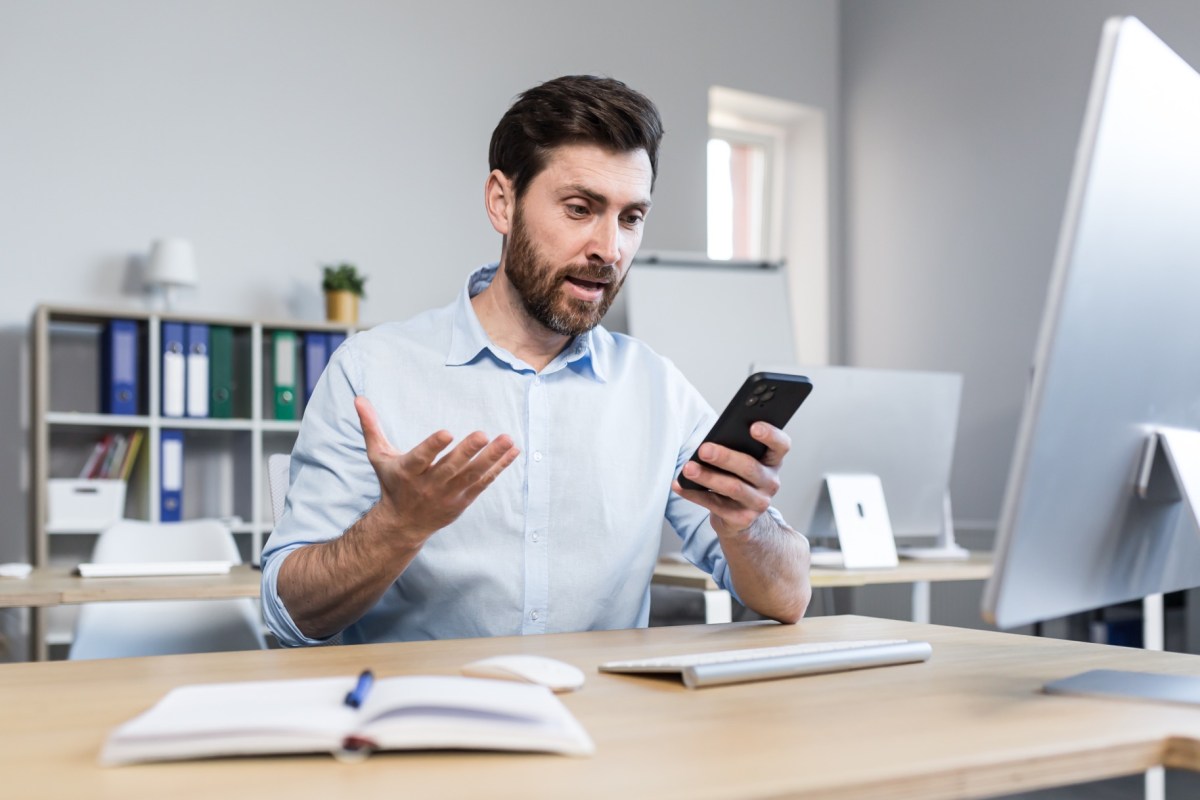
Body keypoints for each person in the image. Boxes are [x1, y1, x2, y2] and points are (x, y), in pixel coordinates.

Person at [261, 75, 811, 646]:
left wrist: (746, 525)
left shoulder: (656, 387)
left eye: (630, 218)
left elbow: (790, 598)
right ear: (502, 202)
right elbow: (290, 616)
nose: (610, 249)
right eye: (580, 209)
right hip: (420, 720)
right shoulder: (371, 371)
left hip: (606, 722)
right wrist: (396, 528)